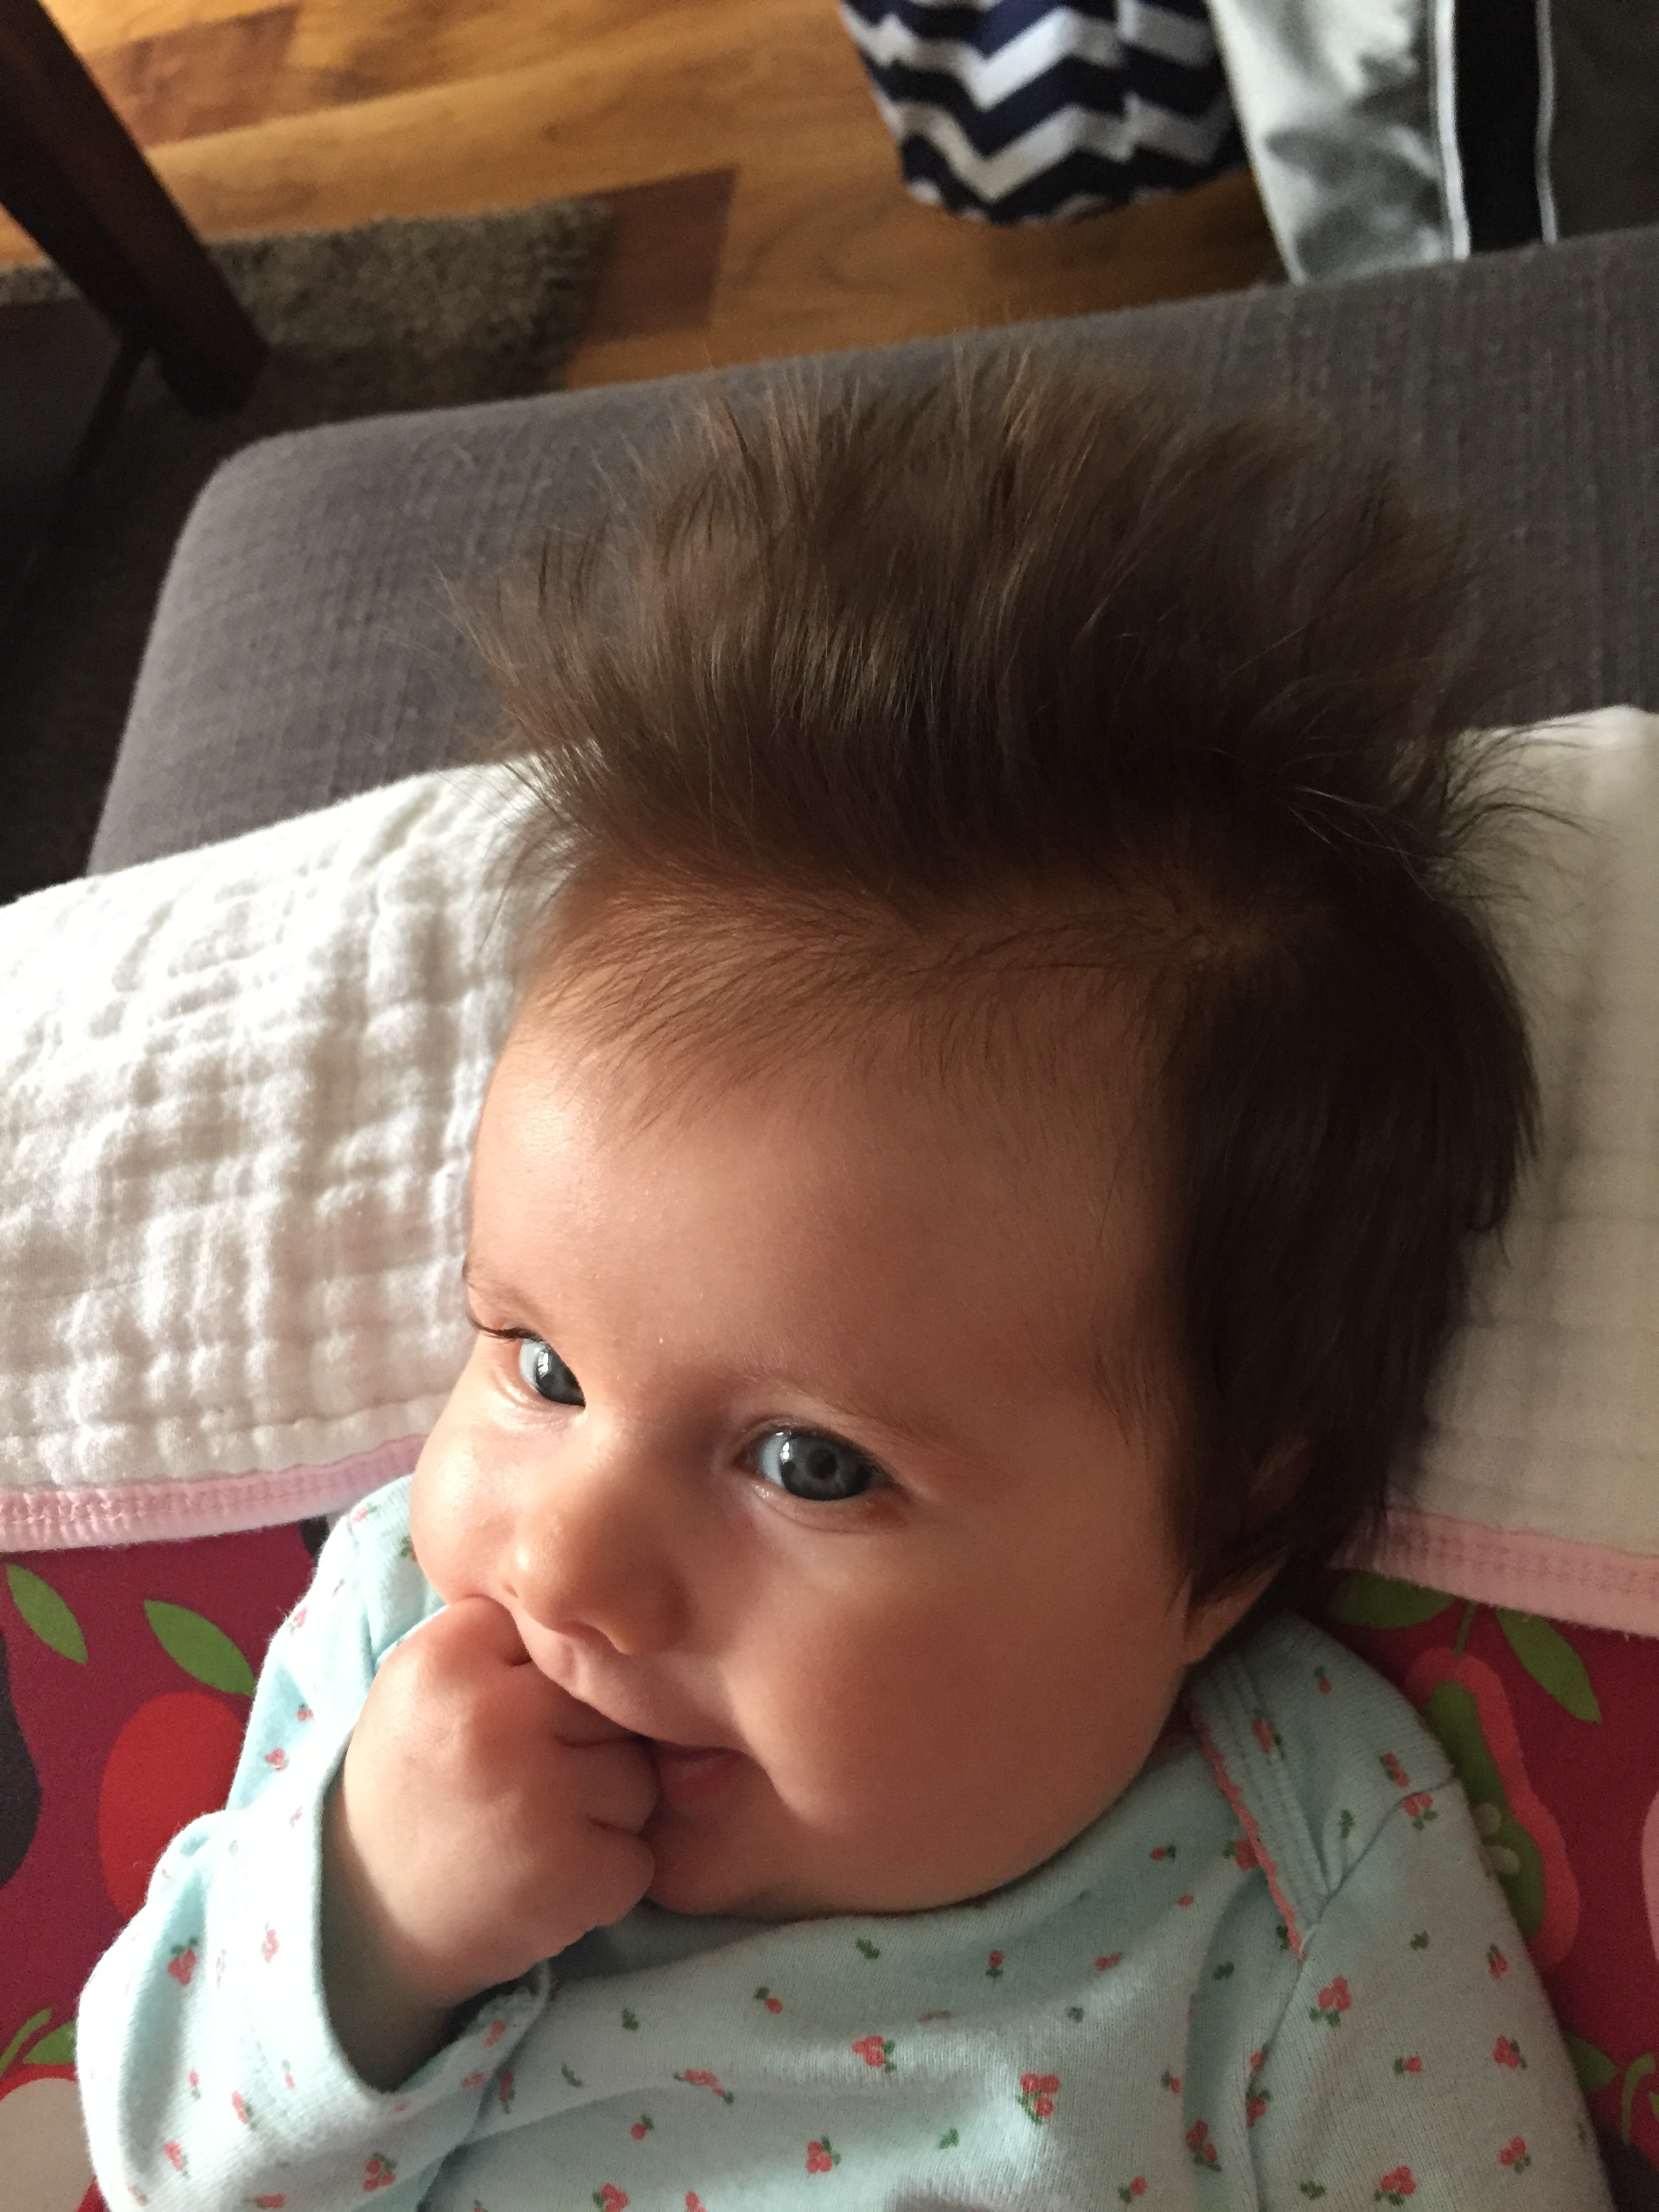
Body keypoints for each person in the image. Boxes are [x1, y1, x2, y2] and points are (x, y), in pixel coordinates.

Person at [78, 358, 1613, 2210]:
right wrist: (378, 1926)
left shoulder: (1302, 1886)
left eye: (809, 1466)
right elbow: (163, 2164)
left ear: (1224, 1531)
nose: (564, 1567)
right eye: (540, 1367)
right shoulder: (397, 1650)